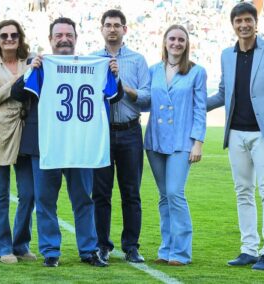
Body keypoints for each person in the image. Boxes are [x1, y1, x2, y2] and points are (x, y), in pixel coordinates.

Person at [11, 17, 122, 268]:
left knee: (83, 198)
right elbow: (17, 94)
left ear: (76, 38)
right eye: (59, 35)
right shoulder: (41, 65)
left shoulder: (94, 65)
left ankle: (88, 250)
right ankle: (51, 251)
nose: (64, 39)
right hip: (47, 143)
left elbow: (115, 96)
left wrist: (114, 74)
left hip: (80, 143)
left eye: (68, 35)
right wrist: (31, 69)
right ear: (50, 39)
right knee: (45, 200)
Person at [207, 2, 264, 271]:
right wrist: (191, 103)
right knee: (243, 193)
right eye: (238, 21)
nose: (243, 25)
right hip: (236, 134)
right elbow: (222, 93)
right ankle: (248, 249)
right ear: (233, 25)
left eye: (248, 20)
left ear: (255, 22)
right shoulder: (227, 55)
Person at [144, 24, 207, 266]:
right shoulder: (153, 70)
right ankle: (166, 249)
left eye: (181, 39)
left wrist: (198, 142)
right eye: (172, 38)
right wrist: (126, 91)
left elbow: (200, 109)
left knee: (174, 193)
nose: (176, 43)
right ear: (164, 41)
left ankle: (181, 252)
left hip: (182, 141)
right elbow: (145, 100)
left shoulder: (196, 72)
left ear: (187, 44)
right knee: (163, 196)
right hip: (156, 141)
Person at [92, 9, 150, 263]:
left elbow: (147, 98)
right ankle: (102, 245)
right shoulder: (91, 60)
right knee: (101, 194)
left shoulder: (137, 60)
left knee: (131, 192)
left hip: (129, 132)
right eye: (108, 25)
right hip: (101, 133)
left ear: (125, 29)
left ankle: (131, 246)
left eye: (117, 25)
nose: (112, 29)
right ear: (101, 29)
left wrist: (120, 83)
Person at [0, 20, 36, 264]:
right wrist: (21, 79)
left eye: (14, 35)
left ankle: (21, 244)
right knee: (0, 192)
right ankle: (3, 247)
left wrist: (32, 70)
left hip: (26, 129)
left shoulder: (31, 60)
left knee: (29, 192)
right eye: (4, 35)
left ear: (20, 37)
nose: (9, 39)